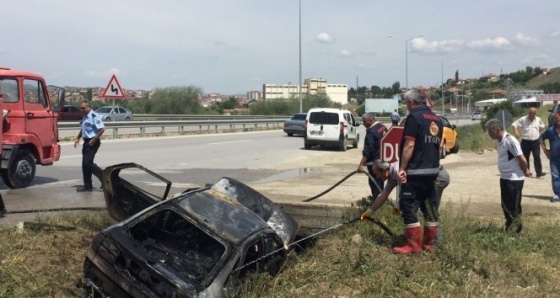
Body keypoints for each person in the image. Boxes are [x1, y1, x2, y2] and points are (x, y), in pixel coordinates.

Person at [393, 88, 443, 254]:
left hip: (415, 171)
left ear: (412, 103)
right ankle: (428, 245)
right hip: (433, 171)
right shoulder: (437, 119)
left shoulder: (414, 117)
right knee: (429, 207)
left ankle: (413, 246)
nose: (407, 106)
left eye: (407, 103)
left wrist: (402, 168)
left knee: (407, 206)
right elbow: (439, 147)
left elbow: (409, 145)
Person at [486, 119, 531, 233]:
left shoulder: (510, 141)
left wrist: (526, 170)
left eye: (490, 131)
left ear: (497, 130)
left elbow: (521, 158)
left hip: (514, 179)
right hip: (505, 178)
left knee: (513, 206)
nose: (489, 134)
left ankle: (516, 232)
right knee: (505, 205)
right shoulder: (499, 141)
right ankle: (509, 228)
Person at [361, 160, 449, 218]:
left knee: (427, 211)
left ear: (384, 171)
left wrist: (400, 206)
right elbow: (383, 195)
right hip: (430, 177)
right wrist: (370, 211)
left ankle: (434, 241)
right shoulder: (391, 176)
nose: (376, 177)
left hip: (438, 177)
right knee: (420, 211)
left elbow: (411, 192)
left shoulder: (398, 172)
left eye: (377, 174)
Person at [74, 101, 105, 192]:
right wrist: (77, 138)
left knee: (88, 163)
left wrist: (94, 139)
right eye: (81, 108)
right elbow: (83, 129)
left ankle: (104, 178)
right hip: (87, 141)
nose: (81, 109)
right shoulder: (84, 117)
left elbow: (102, 129)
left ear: (89, 107)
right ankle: (87, 186)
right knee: (85, 165)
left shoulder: (94, 116)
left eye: (83, 108)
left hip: (93, 141)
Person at [357, 113, 387, 199]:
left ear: (370, 120)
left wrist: (361, 164)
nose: (363, 124)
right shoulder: (383, 127)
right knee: (381, 186)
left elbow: (368, 150)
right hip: (383, 162)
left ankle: (377, 206)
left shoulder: (371, 132)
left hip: (374, 165)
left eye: (364, 122)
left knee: (375, 186)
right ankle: (382, 205)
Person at [512, 107, 546, 177]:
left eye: (534, 113)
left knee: (537, 157)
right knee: (525, 157)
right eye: (531, 113)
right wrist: (516, 131)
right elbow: (514, 124)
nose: (532, 114)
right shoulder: (523, 119)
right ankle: (526, 172)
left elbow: (543, 126)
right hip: (525, 141)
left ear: (535, 113)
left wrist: (538, 131)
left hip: (535, 141)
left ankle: (539, 173)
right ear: (528, 113)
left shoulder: (538, 119)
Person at [539, 114, 560, 202]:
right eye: (558, 120)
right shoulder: (551, 131)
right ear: (555, 121)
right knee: (555, 177)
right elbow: (541, 138)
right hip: (554, 159)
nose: (559, 121)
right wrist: (545, 150)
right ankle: (557, 194)